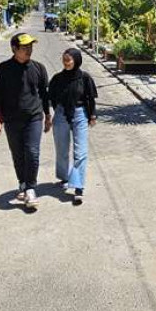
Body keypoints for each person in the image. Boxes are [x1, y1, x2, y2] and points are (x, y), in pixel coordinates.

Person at [0, 33, 51, 209]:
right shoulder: (2, 69)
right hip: (12, 119)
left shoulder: (39, 68)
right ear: (14, 49)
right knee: (18, 155)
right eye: (24, 48)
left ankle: (31, 188)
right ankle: (22, 183)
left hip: (34, 118)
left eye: (30, 47)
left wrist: (47, 115)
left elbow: (44, 95)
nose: (29, 50)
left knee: (32, 152)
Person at [48, 48, 98, 205]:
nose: (66, 62)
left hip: (80, 114)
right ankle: (64, 177)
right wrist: (54, 113)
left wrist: (92, 115)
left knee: (80, 152)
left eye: (69, 59)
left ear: (76, 60)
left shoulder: (85, 78)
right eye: (64, 59)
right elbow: (51, 97)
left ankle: (78, 186)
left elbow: (90, 98)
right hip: (61, 114)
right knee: (62, 150)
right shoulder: (57, 78)